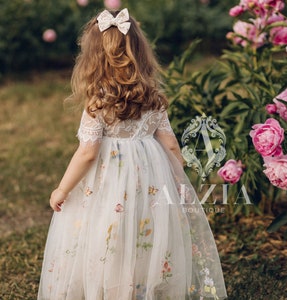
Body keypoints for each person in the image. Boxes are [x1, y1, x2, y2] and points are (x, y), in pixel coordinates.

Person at [38, 8, 227, 300]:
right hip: (151, 177)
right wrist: (177, 175)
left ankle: (112, 286)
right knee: (146, 232)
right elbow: (172, 145)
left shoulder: (98, 100)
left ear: (92, 57)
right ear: (140, 52)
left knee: (109, 231)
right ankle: (143, 286)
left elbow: (88, 153)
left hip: (109, 182)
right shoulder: (152, 95)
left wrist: (62, 189)